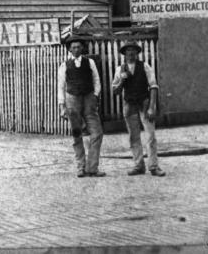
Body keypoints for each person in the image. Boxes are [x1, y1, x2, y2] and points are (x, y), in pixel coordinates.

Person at [112, 41, 166, 177]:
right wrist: (122, 80)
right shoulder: (120, 69)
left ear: (137, 53)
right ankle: (138, 165)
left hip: (144, 103)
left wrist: (152, 107)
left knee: (150, 135)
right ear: (124, 54)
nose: (130, 53)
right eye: (128, 50)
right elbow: (115, 91)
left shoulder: (145, 66)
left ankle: (153, 166)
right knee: (133, 136)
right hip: (129, 105)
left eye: (133, 50)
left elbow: (153, 86)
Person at [58, 35, 105, 178]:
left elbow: (96, 80)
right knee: (76, 134)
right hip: (72, 100)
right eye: (73, 47)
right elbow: (60, 86)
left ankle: (92, 167)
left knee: (97, 133)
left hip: (89, 99)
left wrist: (96, 95)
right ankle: (80, 167)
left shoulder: (90, 62)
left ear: (82, 48)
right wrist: (62, 106)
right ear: (69, 50)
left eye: (78, 47)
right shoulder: (64, 65)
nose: (76, 49)